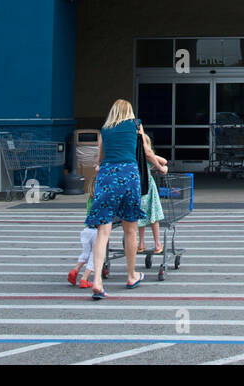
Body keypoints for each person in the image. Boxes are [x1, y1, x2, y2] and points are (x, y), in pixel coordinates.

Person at [85, 98, 148, 299]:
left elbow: (99, 158)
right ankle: (131, 275)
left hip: (107, 176)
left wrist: (99, 166)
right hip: (129, 174)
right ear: (129, 111)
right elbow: (145, 150)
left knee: (103, 232)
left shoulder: (104, 130)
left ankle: (97, 281)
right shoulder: (136, 125)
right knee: (130, 230)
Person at [136, 130, 169, 255]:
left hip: (138, 188)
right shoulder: (148, 156)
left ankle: (141, 243)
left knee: (141, 216)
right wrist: (162, 168)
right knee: (154, 215)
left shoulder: (135, 157)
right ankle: (157, 244)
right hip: (149, 187)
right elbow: (164, 161)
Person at [69, 194, 99, 288]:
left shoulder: (90, 200)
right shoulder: (102, 200)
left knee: (86, 253)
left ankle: (75, 270)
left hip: (87, 230)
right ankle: (84, 278)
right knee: (95, 255)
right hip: (97, 231)